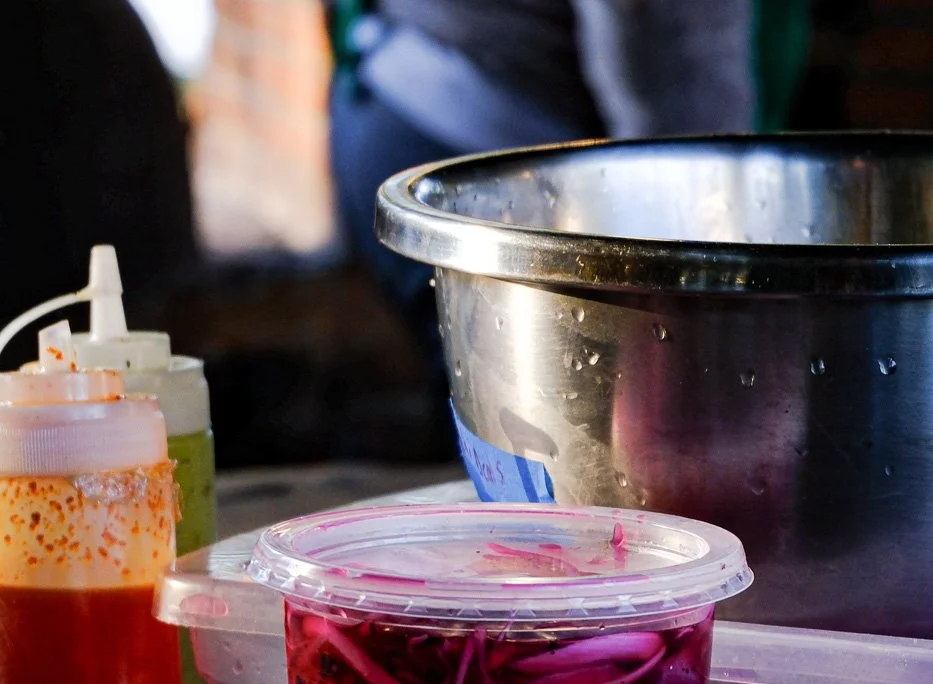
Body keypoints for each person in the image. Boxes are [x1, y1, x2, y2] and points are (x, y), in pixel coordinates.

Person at [328, 0, 796, 422]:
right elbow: (666, 57)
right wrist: (713, 264)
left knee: (483, 405)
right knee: (522, 416)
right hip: (480, 165)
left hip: (389, 101)